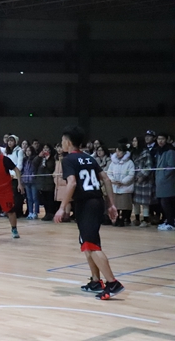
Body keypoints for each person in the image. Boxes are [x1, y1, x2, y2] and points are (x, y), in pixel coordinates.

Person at [54, 125, 124, 300]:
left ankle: (112, 283)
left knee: (91, 245)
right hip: (96, 202)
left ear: (68, 142)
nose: (61, 143)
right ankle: (95, 281)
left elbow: (71, 183)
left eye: (62, 140)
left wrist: (62, 208)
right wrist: (111, 204)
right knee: (87, 242)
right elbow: (106, 179)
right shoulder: (89, 158)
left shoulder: (68, 160)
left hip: (86, 205)